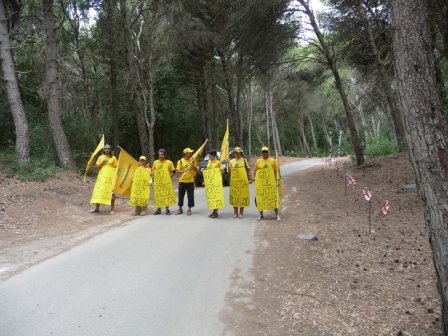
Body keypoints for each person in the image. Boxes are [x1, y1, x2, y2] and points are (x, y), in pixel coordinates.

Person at [90, 144, 118, 214]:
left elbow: (116, 168)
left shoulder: (114, 158)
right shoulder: (100, 157)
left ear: (110, 150)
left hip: (110, 178)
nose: (107, 149)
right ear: (104, 150)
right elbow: (98, 167)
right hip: (102, 177)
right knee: (99, 191)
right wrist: (102, 163)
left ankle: (112, 209)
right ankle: (97, 208)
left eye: (108, 148)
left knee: (112, 193)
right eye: (106, 148)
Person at [254, 146, 280, 221]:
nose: (264, 153)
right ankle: (261, 214)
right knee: (261, 198)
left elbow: (276, 171)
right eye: (263, 152)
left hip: (271, 184)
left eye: (266, 152)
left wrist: (277, 181)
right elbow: (255, 170)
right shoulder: (258, 161)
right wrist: (254, 179)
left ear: (268, 152)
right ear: (261, 153)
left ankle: (277, 214)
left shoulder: (272, 161)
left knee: (273, 198)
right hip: (261, 184)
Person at [228, 147, 252, 219]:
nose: (237, 154)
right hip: (234, 182)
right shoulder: (231, 161)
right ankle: (235, 213)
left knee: (242, 197)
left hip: (243, 183)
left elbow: (249, 169)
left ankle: (241, 213)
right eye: (236, 153)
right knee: (235, 197)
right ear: (234, 153)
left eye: (238, 153)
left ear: (240, 153)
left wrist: (250, 178)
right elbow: (229, 172)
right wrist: (227, 164)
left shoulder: (244, 160)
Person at [152, 149, 176, 215]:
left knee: (166, 195)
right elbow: (153, 171)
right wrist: (152, 173)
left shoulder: (169, 162)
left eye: (162, 155)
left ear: (165, 155)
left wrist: (169, 177)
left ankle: (167, 209)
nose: (160, 156)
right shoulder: (155, 162)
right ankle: (159, 209)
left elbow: (173, 171)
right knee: (159, 195)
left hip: (166, 182)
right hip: (158, 183)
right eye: (159, 155)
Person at [176, 147, 198, 215]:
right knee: (181, 195)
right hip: (182, 181)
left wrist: (193, 165)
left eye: (191, 153)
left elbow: (196, 170)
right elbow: (177, 170)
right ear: (186, 154)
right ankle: (180, 208)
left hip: (190, 181)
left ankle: (189, 209)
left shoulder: (192, 160)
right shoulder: (180, 161)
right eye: (189, 153)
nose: (191, 154)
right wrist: (183, 171)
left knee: (190, 196)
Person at [203, 150, 223, 218]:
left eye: (210, 156)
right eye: (209, 156)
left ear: (214, 155)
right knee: (212, 197)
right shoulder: (209, 161)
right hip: (210, 183)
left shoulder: (218, 162)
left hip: (216, 182)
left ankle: (215, 212)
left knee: (216, 196)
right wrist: (204, 169)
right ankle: (213, 211)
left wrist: (221, 169)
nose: (209, 157)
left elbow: (222, 171)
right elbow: (208, 170)